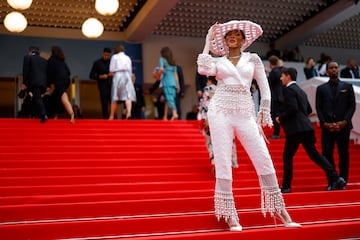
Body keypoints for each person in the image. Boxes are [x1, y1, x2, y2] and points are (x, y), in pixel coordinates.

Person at [197, 20, 301, 231]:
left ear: (244, 40)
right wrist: (208, 41)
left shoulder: (252, 58)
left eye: (237, 34)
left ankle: (281, 211)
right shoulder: (218, 62)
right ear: (225, 41)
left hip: (245, 113)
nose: (232, 36)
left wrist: (264, 109)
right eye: (229, 35)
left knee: (263, 158)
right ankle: (230, 214)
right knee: (223, 161)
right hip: (219, 111)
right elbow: (202, 69)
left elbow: (265, 87)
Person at [276, 67, 346, 193]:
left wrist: (280, 118)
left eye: (282, 76)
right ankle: (335, 177)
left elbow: (292, 108)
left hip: (296, 129)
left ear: (288, 76)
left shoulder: (288, 90)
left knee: (287, 157)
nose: (281, 78)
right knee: (315, 155)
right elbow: (308, 110)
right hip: (307, 128)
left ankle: (286, 186)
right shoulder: (300, 91)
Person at [316, 61, 356, 190]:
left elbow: (352, 106)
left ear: (338, 70)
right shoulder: (321, 88)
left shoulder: (348, 87)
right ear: (327, 71)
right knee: (327, 153)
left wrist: (344, 121)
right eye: (331, 68)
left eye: (336, 68)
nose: (334, 70)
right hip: (327, 128)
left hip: (343, 127)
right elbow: (319, 108)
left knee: (343, 154)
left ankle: (343, 180)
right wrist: (324, 123)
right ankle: (332, 180)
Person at [47, 46, 75, 124]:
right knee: (57, 99)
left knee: (63, 98)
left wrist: (49, 84)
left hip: (57, 82)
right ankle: (56, 116)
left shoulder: (51, 60)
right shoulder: (62, 61)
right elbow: (69, 72)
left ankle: (71, 114)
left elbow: (50, 73)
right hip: (65, 81)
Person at [21, 46, 49, 123]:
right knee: (34, 98)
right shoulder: (44, 61)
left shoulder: (27, 57)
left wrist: (24, 83)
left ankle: (44, 115)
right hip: (42, 83)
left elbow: (25, 71)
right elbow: (47, 73)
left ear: (30, 52)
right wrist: (47, 85)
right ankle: (33, 114)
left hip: (32, 82)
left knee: (36, 98)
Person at [109, 44, 136, 120]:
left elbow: (111, 69)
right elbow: (130, 71)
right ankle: (129, 114)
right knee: (128, 96)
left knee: (115, 96)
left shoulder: (114, 57)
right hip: (127, 75)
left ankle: (111, 115)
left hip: (118, 75)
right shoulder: (127, 58)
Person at [89, 47, 113, 119]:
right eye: (105, 55)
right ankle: (105, 119)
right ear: (103, 53)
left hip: (112, 86)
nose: (106, 57)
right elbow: (91, 75)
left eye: (108, 55)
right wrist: (100, 76)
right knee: (104, 104)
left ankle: (113, 118)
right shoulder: (97, 63)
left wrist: (112, 74)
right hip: (102, 86)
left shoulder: (112, 62)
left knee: (113, 103)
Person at [158, 47, 180, 120]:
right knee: (169, 98)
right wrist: (178, 85)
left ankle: (174, 113)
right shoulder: (173, 61)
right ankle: (165, 116)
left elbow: (161, 69)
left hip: (167, 80)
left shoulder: (162, 59)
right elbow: (175, 74)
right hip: (173, 82)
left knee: (169, 98)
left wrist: (157, 74)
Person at [268, 55, 284, 139]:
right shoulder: (281, 71)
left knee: (275, 115)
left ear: (270, 63)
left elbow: (269, 84)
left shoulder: (273, 72)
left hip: (275, 97)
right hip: (282, 96)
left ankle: (276, 133)